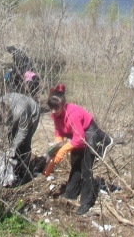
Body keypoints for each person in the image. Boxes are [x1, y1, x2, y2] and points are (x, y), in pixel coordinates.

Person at [47, 83, 113, 215]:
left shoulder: (73, 114)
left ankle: (86, 202)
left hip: (88, 133)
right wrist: (57, 144)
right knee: (75, 163)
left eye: (56, 108)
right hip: (76, 134)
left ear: (63, 106)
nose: (53, 111)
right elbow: (58, 131)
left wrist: (63, 150)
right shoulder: (55, 114)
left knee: (86, 168)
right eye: (51, 108)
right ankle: (71, 193)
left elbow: (79, 138)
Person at [0, 92, 40, 185]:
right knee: (11, 138)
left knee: (24, 143)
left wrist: (13, 147)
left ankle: (24, 173)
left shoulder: (20, 110)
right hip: (14, 113)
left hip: (32, 113)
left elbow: (23, 131)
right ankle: (13, 170)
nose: (4, 121)